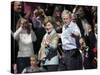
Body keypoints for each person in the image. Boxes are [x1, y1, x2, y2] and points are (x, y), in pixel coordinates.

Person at [11, 1, 24, 73]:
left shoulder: (20, 15)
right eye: (18, 5)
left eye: (21, 5)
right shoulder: (11, 15)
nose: (20, 7)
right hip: (13, 44)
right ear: (13, 6)